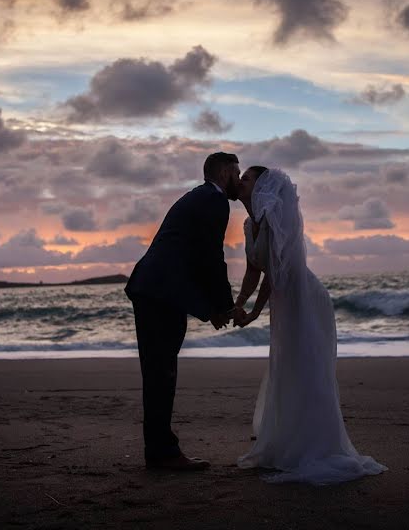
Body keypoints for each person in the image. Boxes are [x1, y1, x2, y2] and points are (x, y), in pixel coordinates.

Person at [234, 166, 388, 484]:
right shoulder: (250, 223)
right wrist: (239, 304)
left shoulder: (277, 218)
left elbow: (278, 271)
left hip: (303, 297)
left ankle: (313, 447)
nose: (240, 181)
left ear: (262, 186)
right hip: (284, 299)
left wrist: (257, 310)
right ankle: (287, 441)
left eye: (246, 177)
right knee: (287, 368)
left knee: (305, 369)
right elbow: (254, 270)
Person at [124, 152, 241, 471]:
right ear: (224, 171)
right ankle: (162, 453)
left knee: (157, 372)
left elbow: (195, 257)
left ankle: (158, 450)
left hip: (153, 289)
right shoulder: (215, 200)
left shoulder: (196, 197)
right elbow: (211, 257)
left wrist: (214, 308)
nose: (239, 179)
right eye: (237, 172)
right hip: (161, 293)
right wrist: (222, 307)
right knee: (161, 372)